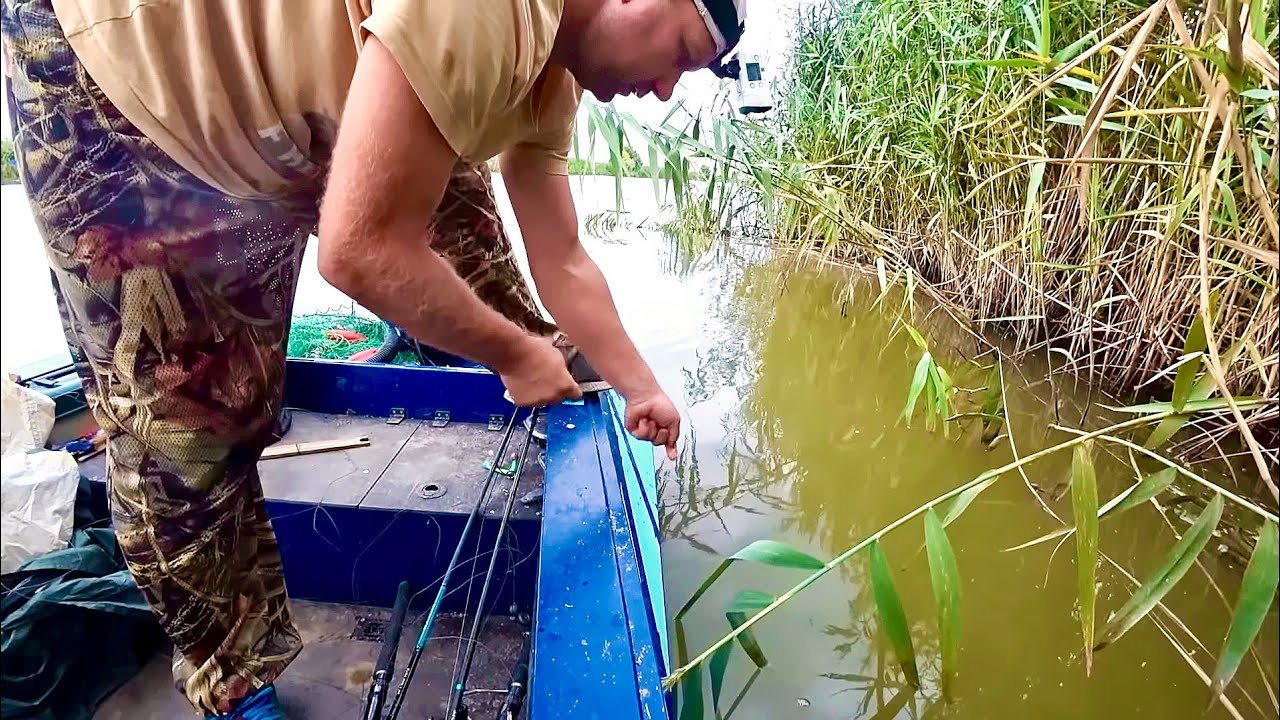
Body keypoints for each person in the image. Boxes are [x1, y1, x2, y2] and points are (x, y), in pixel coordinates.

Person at [1, 0, 747, 716]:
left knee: (465, 241)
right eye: (679, 55)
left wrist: (639, 385)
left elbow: (566, 258)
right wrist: (514, 355)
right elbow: (360, 254)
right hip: (118, 75)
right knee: (186, 424)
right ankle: (232, 686)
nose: (661, 89)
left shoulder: (550, 75)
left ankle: (549, 379)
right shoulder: (490, 11)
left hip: (290, 107)